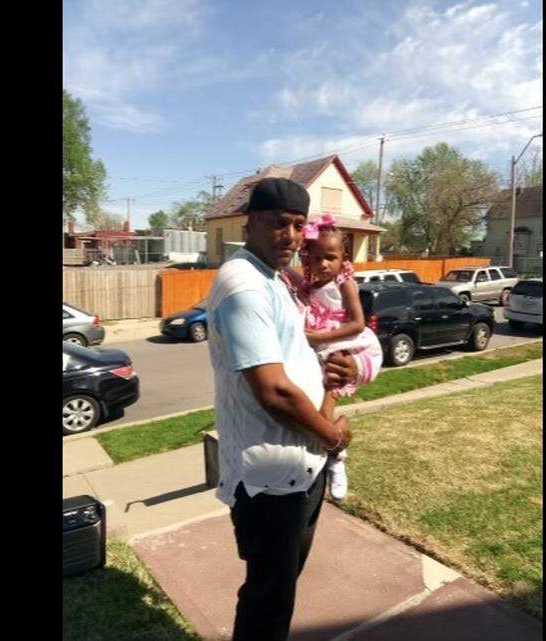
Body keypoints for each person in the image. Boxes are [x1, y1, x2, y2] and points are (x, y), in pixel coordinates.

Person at [206, 177, 360, 641]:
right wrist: (333, 436)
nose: (291, 236)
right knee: (268, 597)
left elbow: (288, 356)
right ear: (251, 222)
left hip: (301, 466)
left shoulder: (271, 277)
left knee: (280, 586)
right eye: (278, 223)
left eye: (298, 226)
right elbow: (272, 391)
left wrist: (326, 374)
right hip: (272, 478)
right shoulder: (244, 287)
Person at [281, 213, 383, 501]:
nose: (323, 264)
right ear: (306, 257)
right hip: (321, 353)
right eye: (315, 257)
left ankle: (337, 461)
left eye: (330, 257)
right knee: (312, 410)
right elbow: (292, 276)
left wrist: (317, 338)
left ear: (343, 258)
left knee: (324, 414)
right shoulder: (312, 286)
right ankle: (328, 455)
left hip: (344, 348)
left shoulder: (345, 284)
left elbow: (357, 323)